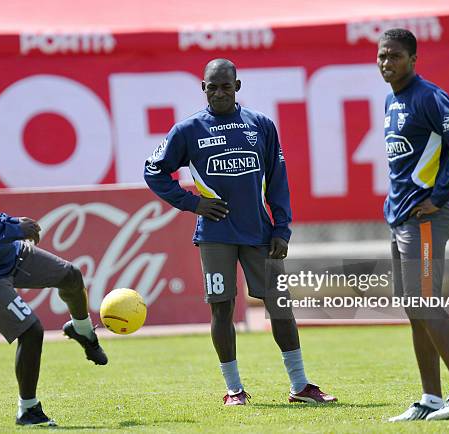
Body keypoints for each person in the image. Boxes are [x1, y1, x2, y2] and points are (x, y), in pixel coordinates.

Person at [144, 58, 336, 405]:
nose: (219, 92)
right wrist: (192, 203)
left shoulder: (261, 125)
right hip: (215, 235)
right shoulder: (187, 130)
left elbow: (278, 182)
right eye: (212, 86)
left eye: (226, 86)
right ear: (203, 88)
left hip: (260, 233)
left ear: (237, 86)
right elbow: (154, 172)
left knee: (279, 305)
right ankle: (234, 390)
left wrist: (282, 228)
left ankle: (300, 386)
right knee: (222, 308)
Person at [0, 100, 108, 426]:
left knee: (70, 276)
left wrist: (11, 222)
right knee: (32, 331)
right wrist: (14, 228)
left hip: (4, 254)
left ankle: (83, 332)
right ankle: (28, 410)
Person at [377, 29, 449, 421]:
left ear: (413, 59)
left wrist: (438, 197)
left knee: (426, 302)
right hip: (402, 218)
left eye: (395, 56)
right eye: (382, 56)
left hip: (426, 219)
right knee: (413, 308)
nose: (387, 63)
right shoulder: (391, 99)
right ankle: (431, 399)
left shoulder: (428, 96)